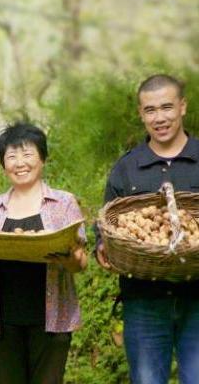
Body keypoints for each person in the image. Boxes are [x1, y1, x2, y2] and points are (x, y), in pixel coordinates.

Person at [0, 122, 87, 384]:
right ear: (3, 164)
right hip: (6, 320)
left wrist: (70, 259)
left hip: (51, 320)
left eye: (27, 154)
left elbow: (81, 264)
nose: (19, 163)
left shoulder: (63, 203)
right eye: (11, 156)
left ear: (43, 158)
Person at [96, 74, 199, 384]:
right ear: (141, 114)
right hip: (144, 301)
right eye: (150, 110)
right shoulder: (126, 168)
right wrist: (102, 247)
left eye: (167, 107)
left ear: (182, 107)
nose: (159, 118)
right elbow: (106, 225)